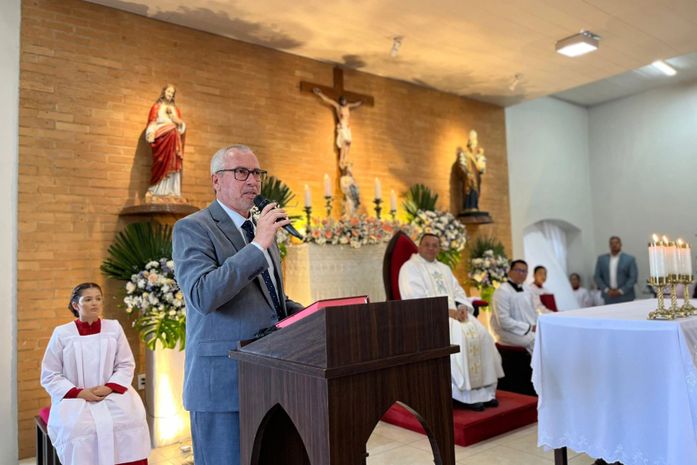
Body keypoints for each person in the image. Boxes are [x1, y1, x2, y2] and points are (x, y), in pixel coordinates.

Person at [173, 144, 304, 465]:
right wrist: (258, 245)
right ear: (216, 180)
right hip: (222, 383)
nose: (253, 181)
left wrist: (314, 315)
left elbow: (272, 301)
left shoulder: (260, 233)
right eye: (241, 172)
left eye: (257, 173)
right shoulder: (193, 227)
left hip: (269, 379)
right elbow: (203, 295)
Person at [40, 282, 151, 465]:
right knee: (79, 429)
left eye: (98, 299)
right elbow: (50, 374)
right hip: (76, 397)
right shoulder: (62, 333)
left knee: (132, 419)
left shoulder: (113, 328)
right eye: (88, 299)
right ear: (75, 305)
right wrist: (80, 392)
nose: (95, 303)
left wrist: (109, 388)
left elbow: (125, 364)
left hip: (111, 393)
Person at [398, 233, 504, 411]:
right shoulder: (410, 268)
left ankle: (485, 392)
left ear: (439, 249)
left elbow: (458, 292)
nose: (431, 248)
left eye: (435, 245)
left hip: (454, 315)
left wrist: (462, 307)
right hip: (429, 319)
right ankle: (463, 395)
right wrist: (447, 312)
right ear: (419, 247)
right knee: (459, 336)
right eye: (427, 244)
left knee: (483, 334)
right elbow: (415, 300)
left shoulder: (444, 268)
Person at [490, 260, 549, 354]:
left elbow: (533, 311)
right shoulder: (502, 291)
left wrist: (538, 324)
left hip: (525, 328)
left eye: (524, 271)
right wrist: (529, 328)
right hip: (506, 331)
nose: (521, 274)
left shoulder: (527, 289)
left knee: (547, 335)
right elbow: (504, 321)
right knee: (535, 340)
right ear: (510, 272)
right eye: (518, 270)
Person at [145, 84, 186, 197]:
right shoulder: (157, 107)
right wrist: (150, 133)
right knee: (160, 161)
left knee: (173, 162)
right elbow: (152, 122)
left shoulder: (175, 110)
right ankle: (155, 189)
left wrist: (177, 121)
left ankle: (172, 191)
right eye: (168, 92)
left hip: (173, 139)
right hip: (161, 138)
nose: (170, 94)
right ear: (164, 92)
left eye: (172, 93)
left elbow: (181, 126)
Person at [313, 87, 362, 169]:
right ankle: (341, 160)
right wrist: (320, 94)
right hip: (342, 126)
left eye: (345, 100)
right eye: (343, 101)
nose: (344, 102)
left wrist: (361, 102)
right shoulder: (338, 106)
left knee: (348, 143)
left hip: (347, 127)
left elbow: (355, 104)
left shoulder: (348, 106)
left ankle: (346, 159)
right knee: (344, 142)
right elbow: (328, 100)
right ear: (340, 101)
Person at [593, 236, 638, 304]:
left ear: (621, 244)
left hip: (626, 295)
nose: (614, 245)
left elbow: (633, 277)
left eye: (616, 243)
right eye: (612, 243)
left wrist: (621, 291)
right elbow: (597, 276)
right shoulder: (602, 259)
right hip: (608, 296)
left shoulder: (629, 259)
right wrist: (607, 290)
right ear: (609, 245)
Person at [454, 129, 487, 212]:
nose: (474, 146)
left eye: (475, 144)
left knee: (475, 192)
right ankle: (468, 207)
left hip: (475, 180)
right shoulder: (465, 154)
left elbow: (479, 169)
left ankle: (474, 206)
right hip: (468, 179)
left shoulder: (474, 157)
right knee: (469, 192)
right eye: (473, 144)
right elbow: (462, 166)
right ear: (470, 144)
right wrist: (467, 175)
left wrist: (481, 165)